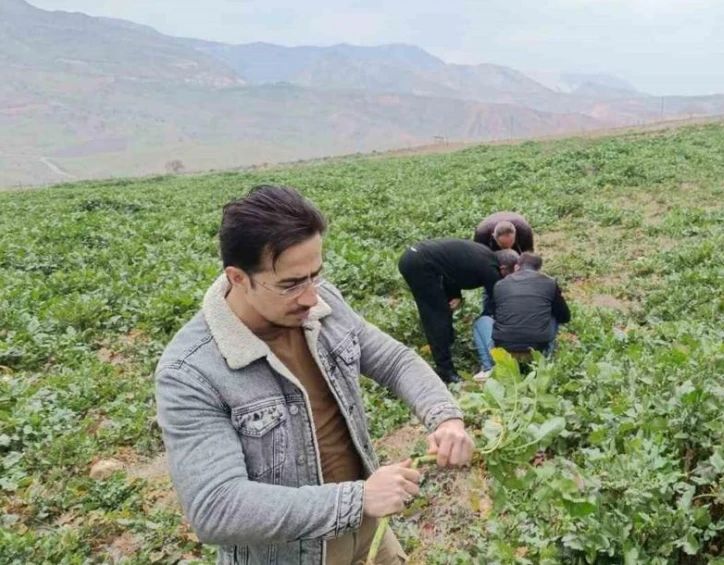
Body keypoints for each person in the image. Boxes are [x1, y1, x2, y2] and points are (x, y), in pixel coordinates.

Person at [154, 185, 475, 565]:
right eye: (290, 284)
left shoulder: (324, 304)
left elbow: (394, 360)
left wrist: (445, 417)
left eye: (315, 276)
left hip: (369, 529)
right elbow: (216, 508)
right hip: (294, 553)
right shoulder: (190, 371)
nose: (310, 297)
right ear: (238, 278)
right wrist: (356, 499)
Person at [398, 238, 518, 383]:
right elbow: (499, 302)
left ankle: (445, 341)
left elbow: (452, 269)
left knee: (444, 308)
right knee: (436, 315)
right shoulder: (490, 270)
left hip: (419, 258)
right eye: (507, 276)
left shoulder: (485, 256)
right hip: (419, 265)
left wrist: (456, 295)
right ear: (503, 268)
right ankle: (445, 370)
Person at [473, 253, 571, 381]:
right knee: (554, 314)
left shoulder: (500, 284)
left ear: (516, 267)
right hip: (536, 352)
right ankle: (544, 360)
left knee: (481, 321)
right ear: (539, 269)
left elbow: (495, 314)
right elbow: (565, 317)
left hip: (504, 352)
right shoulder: (550, 283)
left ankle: (489, 368)